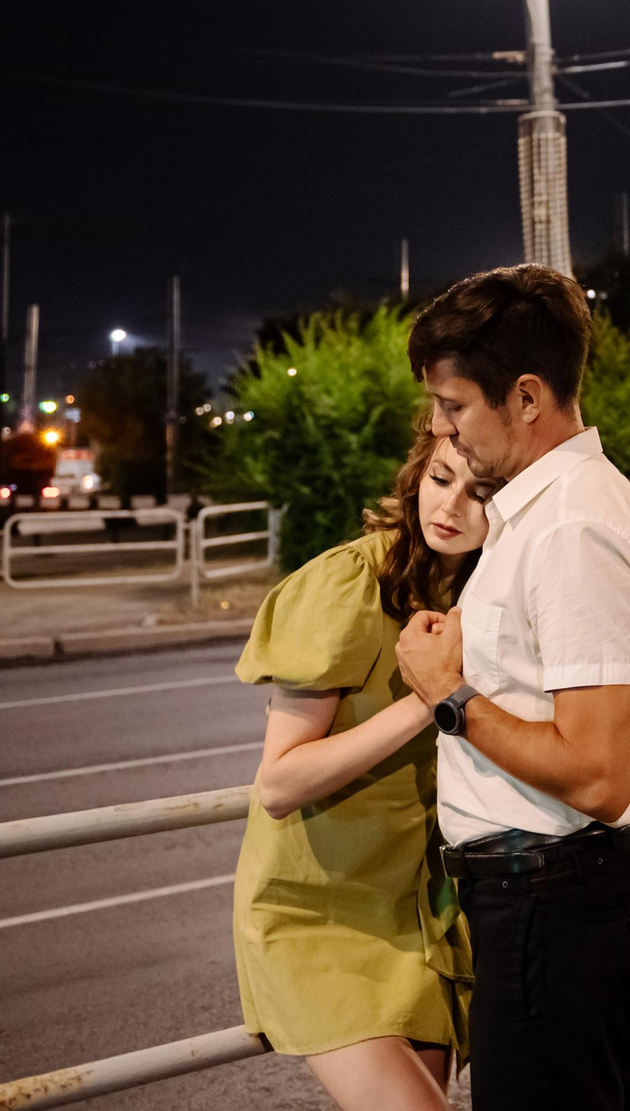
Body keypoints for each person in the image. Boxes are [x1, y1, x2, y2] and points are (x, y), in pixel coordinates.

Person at [393, 264, 630, 1111]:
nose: (440, 427)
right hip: (556, 897)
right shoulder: (547, 509)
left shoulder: (570, 527)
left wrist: (448, 696)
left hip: (552, 902)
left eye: (453, 404)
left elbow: (600, 772)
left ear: (525, 396)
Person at [230, 428, 497, 1110]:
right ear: (415, 476)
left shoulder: (484, 591)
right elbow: (279, 783)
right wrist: (430, 698)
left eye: (479, 493)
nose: (451, 506)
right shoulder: (349, 582)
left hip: (419, 911)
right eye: (440, 479)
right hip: (317, 910)